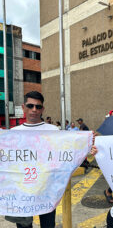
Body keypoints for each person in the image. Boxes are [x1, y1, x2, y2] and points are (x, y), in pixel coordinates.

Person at [9, 91, 59, 228]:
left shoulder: (54, 131)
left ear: (43, 109)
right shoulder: (13, 133)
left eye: (38, 107)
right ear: (23, 107)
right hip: (22, 191)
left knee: (48, 225)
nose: (34, 110)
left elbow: (67, 153)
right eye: (30, 106)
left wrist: (89, 145)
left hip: (47, 190)